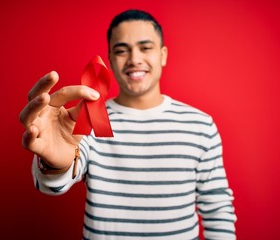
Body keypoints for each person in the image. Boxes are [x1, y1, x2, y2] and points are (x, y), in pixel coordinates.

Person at [20, 9, 236, 240]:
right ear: (110, 59)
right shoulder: (89, 119)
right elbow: (51, 186)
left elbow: (217, 208)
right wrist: (55, 164)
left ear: (163, 55)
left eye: (145, 47)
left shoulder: (200, 126)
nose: (134, 59)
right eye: (122, 51)